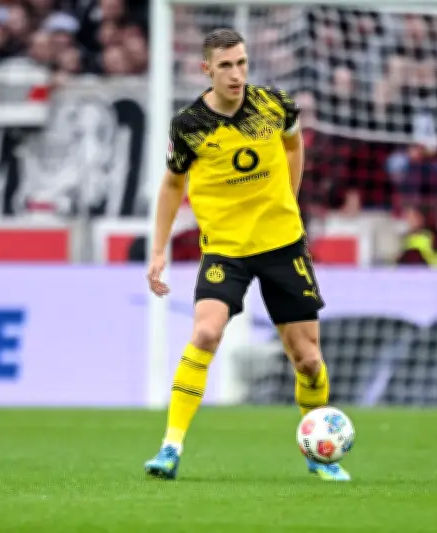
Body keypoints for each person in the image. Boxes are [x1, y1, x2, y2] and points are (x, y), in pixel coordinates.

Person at [143, 29, 350, 482]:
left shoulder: (275, 105)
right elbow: (172, 184)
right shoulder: (190, 125)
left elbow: (294, 144)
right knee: (205, 332)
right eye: (226, 66)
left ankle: (319, 455)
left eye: (241, 63)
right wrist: (158, 249)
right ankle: (170, 447)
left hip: (282, 246)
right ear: (207, 70)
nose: (236, 74)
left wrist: (290, 197)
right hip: (226, 250)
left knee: (308, 360)